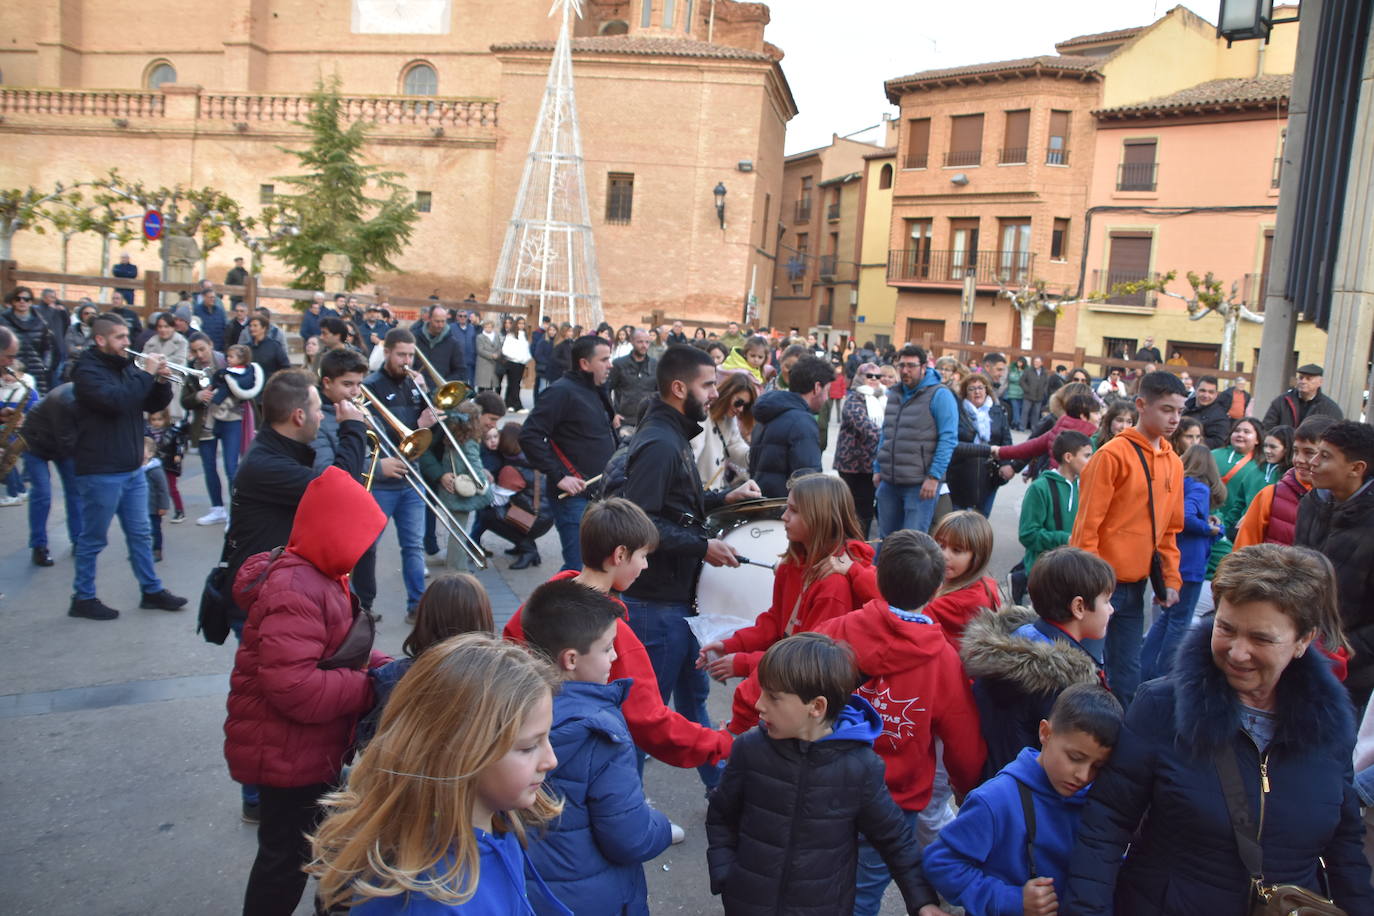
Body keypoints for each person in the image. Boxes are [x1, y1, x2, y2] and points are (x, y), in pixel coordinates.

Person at [1063, 545, 1374, 914]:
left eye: (1261, 639)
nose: (1237, 653)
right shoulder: (1161, 707)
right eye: (1226, 628)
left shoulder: (1329, 725)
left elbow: (1344, 847)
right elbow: (1106, 824)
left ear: (1303, 641)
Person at [718, 530, 984, 913]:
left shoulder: (837, 630)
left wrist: (740, 728)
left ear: (878, 574)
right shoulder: (944, 662)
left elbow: (771, 680)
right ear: (937, 587)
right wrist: (967, 787)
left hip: (820, 789)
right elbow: (964, 742)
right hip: (896, 803)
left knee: (805, 881)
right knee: (861, 898)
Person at [310, 633, 568, 914]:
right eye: (529, 746)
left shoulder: (495, 825)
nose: (551, 760)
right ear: (458, 755)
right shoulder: (431, 900)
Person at [225, 467, 384, 916]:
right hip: (288, 754)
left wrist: (385, 666)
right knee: (285, 861)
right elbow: (294, 686)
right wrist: (369, 686)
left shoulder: (321, 574)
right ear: (335, 532)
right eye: (359, 539)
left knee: (323, 850)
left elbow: (336, 649)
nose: (364, 551)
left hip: (304, 749)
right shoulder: (298, 585)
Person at [706, 633, 945, 916]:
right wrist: (725, 873)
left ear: (816, 707)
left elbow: (894, 839)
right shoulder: (750, 749)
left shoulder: (860, 767)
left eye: (773, 697)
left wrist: (922, 901)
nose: (759, 704)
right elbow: (721, 814)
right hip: (748, 904)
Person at [502, 497, 734, 781]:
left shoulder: (543, 600)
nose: (646, 566)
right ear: (620, 554)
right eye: (643, 556)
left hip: (532, 750)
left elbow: (510, 653)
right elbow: (651, 721)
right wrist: (722, 743)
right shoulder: (612, 633)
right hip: (585, 762)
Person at [622, 345, 759, 790]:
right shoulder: (660, 443)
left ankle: (720, 789)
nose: (714, 392)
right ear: (679, 388)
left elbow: (676, 507)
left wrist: (723, 499)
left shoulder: (674, 433)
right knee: (647, 718)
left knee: (693, 703)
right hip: (655, 603)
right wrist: (703, 547)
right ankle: (624, 808)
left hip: (678, 600)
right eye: (707, 384)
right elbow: (640, 523)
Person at [521, 580, 673, 916]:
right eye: (606, 648)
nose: (615, 656)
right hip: (594, 898)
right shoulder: (600, 732)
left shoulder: (510, 708)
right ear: (571, 659)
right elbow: (630, 837)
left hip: (530, 892)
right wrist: (660, 826)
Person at [925, 684, 1124, 916]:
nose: (1083, 775)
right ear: (1045, 733)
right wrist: (1010, 900)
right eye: (1075, 758)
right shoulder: (995, 800)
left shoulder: (1096, 800)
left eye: (1097, 767)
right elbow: (941, 864)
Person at [222, 369, 369, 639]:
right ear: (299, 416)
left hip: (281, 588)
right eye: (317, 410)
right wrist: (353, 428)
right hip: (267, 599)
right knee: (281, 678)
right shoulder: (266, 465)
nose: (322, 416)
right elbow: (340, 489)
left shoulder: (277, 450)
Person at [1071, 371, 1187, 706]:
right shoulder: (1111, 455)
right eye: (1167, 409)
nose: (1174, 418)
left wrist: (1170, 579)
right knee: (1082, 668)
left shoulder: (1174, 464)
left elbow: (1169, 530)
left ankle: (1117, 741)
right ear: (1141, 405)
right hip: (1099, 585)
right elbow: (1086, 527)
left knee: (1126, 674)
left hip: (1136, 585)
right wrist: (1090, 585)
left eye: (1179, 411)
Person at [700, 472, 876, 681]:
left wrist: (744, 663)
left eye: (793, 511)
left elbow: (810, 658)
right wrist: (731, 645)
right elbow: (777, 621)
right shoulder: (793, 563)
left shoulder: (833, 584)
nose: (784, 516)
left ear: (818, 518)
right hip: (790, 673)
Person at [69, 315, 187, 620]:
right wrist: (146, 374)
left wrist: (160, 381)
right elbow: (117, 402)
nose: (127, 343)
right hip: (100, 470)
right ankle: (83, 597)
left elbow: (148, 404)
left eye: (127, 337)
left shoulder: (126, 369)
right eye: (120, 338)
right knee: (93, 538)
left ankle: (151, 590)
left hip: (132, 467)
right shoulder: (87, 371)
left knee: (141, 534)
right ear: (101, 340)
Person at [962, 546, 1113, 780]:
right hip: (1029, 793)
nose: (1112, 610)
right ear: (1079, 607)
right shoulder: (1061, 682)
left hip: (994, 781)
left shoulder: (1015, 640)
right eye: (1107, 601)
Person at [356, 329, 440, 619]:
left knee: (413, 546)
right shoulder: (370, 386)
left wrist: (427, 420)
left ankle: (417, 606)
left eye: (410, 355)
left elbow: (422, 438)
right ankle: (358, 606)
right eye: (401, 354)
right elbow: (373, 435)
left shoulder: (415, 385)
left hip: (411, 478)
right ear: (388, 352)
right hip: (382, 481)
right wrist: (417, 422)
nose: (406, 361)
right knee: (366, 547)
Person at [519, 334, 618, 572]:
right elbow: (529, 436)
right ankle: (560, 609)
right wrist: (559, 476)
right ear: (585, 364)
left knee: (598, 567)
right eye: (604, 360)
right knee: (579, 568)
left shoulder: (595, 390)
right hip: (574, 499)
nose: (610, 365)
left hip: (600, 496)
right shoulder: (561, 392)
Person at [1296, 420, 1374, 706]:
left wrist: (1344, 651)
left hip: (1354, 677)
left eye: (1324, 456)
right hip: (1301, 654)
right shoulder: (1311, 502)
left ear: (1357, 468)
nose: (1312, 463)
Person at [1138, 444, 1223, 684]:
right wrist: (1209, 528)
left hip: (1174, 559)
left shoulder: (1178, 484)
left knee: (1167, 617)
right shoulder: (1200, 487)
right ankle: (1165, 675)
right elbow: (1185, 516)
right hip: (1192, 563)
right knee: (1179, 621)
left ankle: (1145, 668)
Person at [874, 345, 959, 537]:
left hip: (920, 485)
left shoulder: (940, 395)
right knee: (885, 541)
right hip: (889, 482)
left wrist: (934, 477)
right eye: (901, 365)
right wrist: (878, 467)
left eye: (911, 366)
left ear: (924, 367)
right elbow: (886, 434)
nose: (905, 370)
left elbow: (948, 439)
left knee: (911, 544)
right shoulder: (894, 393)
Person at [418, 394, 502, 578]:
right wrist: (439, 474)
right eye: (492, 419)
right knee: (457, 530)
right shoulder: (455, 427)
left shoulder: (464, 428)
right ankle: (457, 570)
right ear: (479, 413)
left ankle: (456, 565)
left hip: (448, 481)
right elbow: (422, 448)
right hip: (442, 482)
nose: (494, 425)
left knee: (457, 529)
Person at [1234, 415, 1336, 549]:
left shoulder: (1346, 501)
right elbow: (1242, 554)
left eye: (1309, 452)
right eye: (1295, 451)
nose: (1299, 459)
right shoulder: (1270, 496)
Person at [16, 379, 83, 567]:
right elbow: (67, 440)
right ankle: (39, 545)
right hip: (36, 443)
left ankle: (78, 540)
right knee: (43, 494)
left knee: (74, 491)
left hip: (59, 442)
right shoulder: (65, 398)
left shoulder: (84, 394)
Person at [748, 354, 831, 498]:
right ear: (817, 387)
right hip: (785, 510)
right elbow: (809, 483)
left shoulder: (771, 411)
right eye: (827, 391)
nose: (827, 398)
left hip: (763, 505)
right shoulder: (802, 422)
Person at [1018, 431, 1093, 576]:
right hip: (1044, 571)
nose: (1091, 461)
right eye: (1086, 456)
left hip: (1073, 569)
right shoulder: (1040, 488)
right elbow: (1028, 534)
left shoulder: (1084, 487)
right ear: (1068, 457)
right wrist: (1065, 539)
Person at [925, 510, 1002, 648]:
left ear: (977, 557)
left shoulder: (961, 602)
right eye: (941, 545)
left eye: (957, 550)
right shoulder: (982, 584)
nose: (944, 555)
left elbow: (911, 617)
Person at [948, 374, 1013, 517]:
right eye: (972, 389)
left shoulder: (997, 412)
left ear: (986, 390)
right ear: (965, 393)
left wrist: (1006, 464)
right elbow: (953, 443)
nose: (977, 392)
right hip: (961, 475)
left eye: (980, 388)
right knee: (958, 521)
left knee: (981, 521)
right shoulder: (958, 412)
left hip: (989, 475)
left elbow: (1006, 441)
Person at [834, 362, 885, 537]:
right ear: (859, 377)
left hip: (871, 465)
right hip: (851, 465)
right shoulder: (854, 398)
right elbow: (864, 426)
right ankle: (848, 543)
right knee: (850, 508)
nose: (873, 380)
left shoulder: (883, 398)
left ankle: (860, 545)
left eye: (877, 376)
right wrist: (891, 438)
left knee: (865, 509)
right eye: (869, 376)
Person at [690, 369, 753, 490]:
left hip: (713, 491)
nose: (740, 409)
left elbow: (736, 447)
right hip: (697, 490)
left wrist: (756, 455)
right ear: (727, 393)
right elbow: (692, 455)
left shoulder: (729, 420)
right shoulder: (702, 415)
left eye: (745, 406)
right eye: (739, 402)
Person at [1211, 416, 1265, 539]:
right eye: (1237, 430)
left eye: (1247, 432)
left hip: (1235, 527)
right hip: (1209, 520)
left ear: (1257, 439)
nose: (1240, 434)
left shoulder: (1261, 466)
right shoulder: (1213, 455)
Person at [2, 287, 57, 395]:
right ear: (13, 301)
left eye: (26, 299)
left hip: (36, 371)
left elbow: (47, 348)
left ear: (31, 302)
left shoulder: (41, 323)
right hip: (11, 371)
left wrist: (45, 366)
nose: (22, 301)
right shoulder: (3, 321)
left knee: (35, 404)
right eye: (18, 299)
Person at [1261, 362, 1344, 430]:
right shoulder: (1282, 401)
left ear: (1320, 382)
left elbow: (1334, 436)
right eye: (1301, 378)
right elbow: (1267, 428)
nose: (1303, 381)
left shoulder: (1330, 408)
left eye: (1308, 379)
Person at [608, 328, 656, 433]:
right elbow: (606, 390)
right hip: (625, 422)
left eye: (647, 342)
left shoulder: (655, 365)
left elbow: (661, 394)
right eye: (640, 342)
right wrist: (613, 414)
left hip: (649, 422)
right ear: (632, 341)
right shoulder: (619, 364)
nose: (644, 345)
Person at [141, 437, 170, 561]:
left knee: (155, 530)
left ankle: (157, 550)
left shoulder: (155, 470)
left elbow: (163, 489)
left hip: (153, 508)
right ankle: (141, 551)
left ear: (150, 454)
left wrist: (163, 506)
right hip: (140, 507)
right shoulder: (136, 469)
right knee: (141, 530)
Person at [1182, 375, 1230, 449]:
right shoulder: (1184, 407)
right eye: (1202, 390)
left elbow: (1218, 442)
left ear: (1216, 394)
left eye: (1211, 392)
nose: (1206, 395)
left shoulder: (1220, 416)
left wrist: (1188, 439)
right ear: (1196, 390)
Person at [499, 315, 532, 412]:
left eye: (523, 323)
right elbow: (505, 350)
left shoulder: (524, 335)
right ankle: (517, 405)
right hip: (512, 362)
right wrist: (516, 357)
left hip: (521, 363)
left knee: (514, 384)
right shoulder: (511, 335)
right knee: (514, 385)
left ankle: (509, 403)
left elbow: (525, 350)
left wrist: (526, 358)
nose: (521, 325)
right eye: (519, 323)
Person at [192, 280, 228, 352]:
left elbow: (224, 327)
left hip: (218, 346)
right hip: (203, 346)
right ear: (204, 297)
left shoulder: (220, 311)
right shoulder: (197, 311)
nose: (213, 299)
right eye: (210, 297)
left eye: (214, 297)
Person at [1021, 355, 1051, 431]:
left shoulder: (1044, 372)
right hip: (1028, 395)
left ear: (1041, 363)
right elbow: (1022, 381)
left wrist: (1044, 391)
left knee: (1036, 413)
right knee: (1025, 412)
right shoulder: (1028, 370)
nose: (1036, 363)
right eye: (1035, 362)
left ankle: (1034, 428)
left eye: (1038, 362)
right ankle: (1022, 427)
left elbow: (1046, 383)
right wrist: (1027, 389)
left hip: (1039, 396)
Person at [474, 318, 502, 391]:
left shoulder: (496, 336)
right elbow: (480, 350)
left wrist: (497, 354)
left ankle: (490, 401)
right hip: (483, 364)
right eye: (486, 327)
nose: (488, 328)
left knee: (491, 386)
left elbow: (499, 347)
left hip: (494, 364)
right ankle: (480, 401)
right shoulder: (480, 337)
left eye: (490, 327)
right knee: (482, 386)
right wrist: (491, 355)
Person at [1004, 356, 1026, 431]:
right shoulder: (1013, 369)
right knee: (1015, 408)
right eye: (1018, 362)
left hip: (1021, 392)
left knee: (1019, 409)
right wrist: (1019, 379)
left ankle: (1014, 423)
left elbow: (1025, 380)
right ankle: (1017, 423)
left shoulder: (1025, 371)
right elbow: (1012, 378)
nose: (1019, 363)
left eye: (1021, 362)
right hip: (1012, 392)